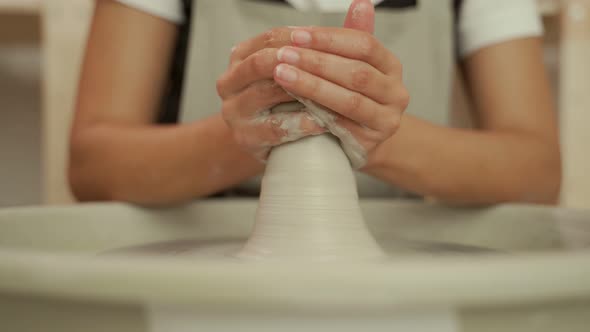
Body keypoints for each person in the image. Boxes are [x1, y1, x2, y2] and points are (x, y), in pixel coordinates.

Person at [69, 0, 560, 206]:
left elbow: (535, 173)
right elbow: (94, 166)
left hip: (393, 276)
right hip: (208, 274)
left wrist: (370, 130)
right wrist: (252, 131)